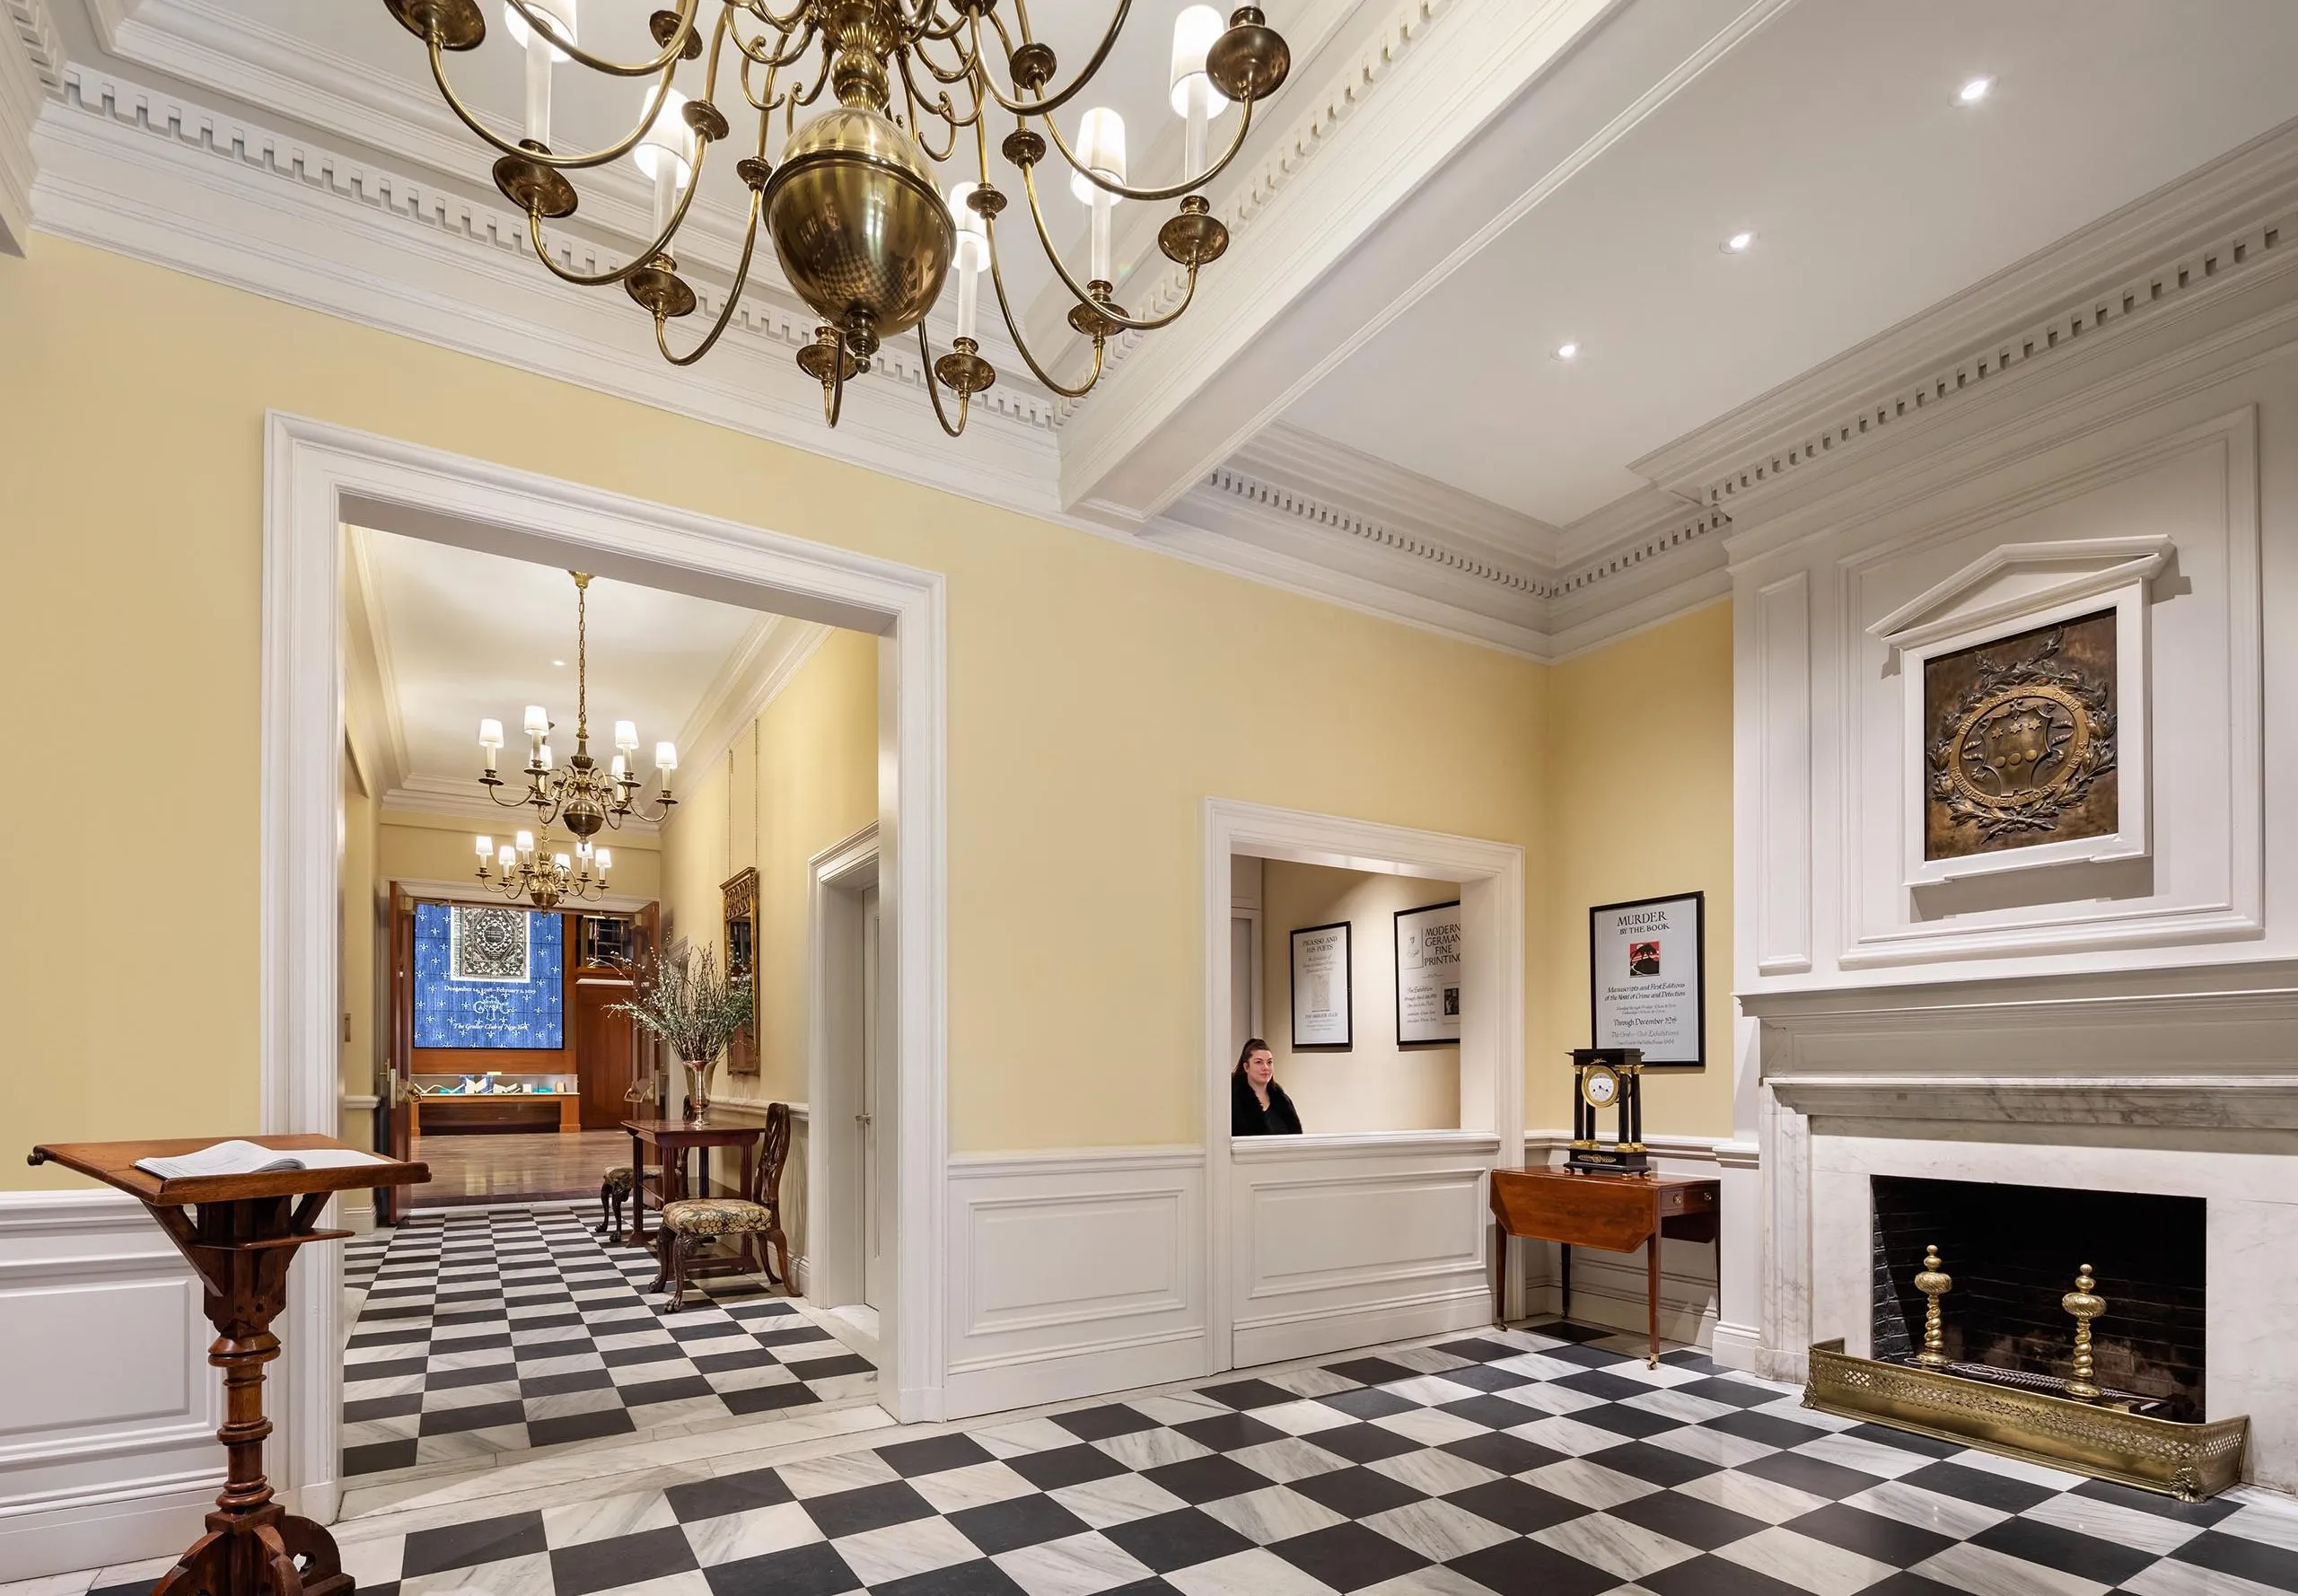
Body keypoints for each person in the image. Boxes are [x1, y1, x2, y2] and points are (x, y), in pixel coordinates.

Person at [1231, 1038, 1302, 1136]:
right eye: (1259, 1062)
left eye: (1269, 1062)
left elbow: (1296, 1137)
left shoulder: (1283, 1102)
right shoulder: (1233, 1102)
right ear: (1246, 1067)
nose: (1266, 1067)